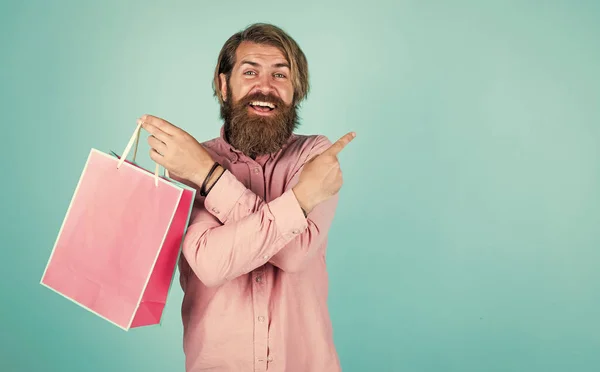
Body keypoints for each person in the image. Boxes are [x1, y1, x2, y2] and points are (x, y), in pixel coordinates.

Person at [137, 23, 355, 372]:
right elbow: (211, 263)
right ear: (224, 85)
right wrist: (297, 201)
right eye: (250, 71)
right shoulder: (187, 162)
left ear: (296, 90)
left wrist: (209, 177)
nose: (265, 88)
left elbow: (295, 254)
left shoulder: (315, 154)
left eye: (280, 75)